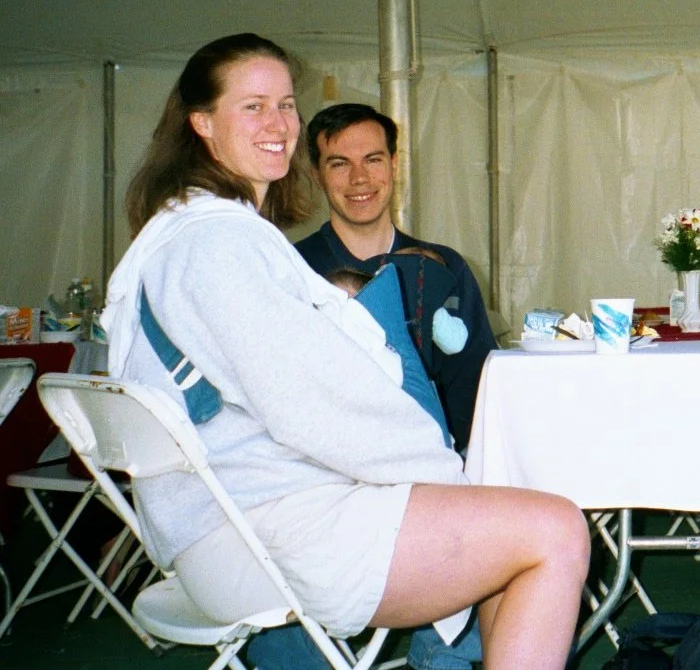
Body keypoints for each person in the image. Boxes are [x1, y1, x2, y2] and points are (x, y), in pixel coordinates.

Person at [101, 34, 588, 670]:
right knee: (555, 530)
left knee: (504, 530)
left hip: (225, 521)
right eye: (253, 107)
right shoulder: (217, 245)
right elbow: (313, 407)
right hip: (257, 535)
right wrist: (441, 469)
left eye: (285, 104)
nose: (278, 124)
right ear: (202, 122)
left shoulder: (185, 233)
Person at [295, 103, 495, 453]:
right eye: (340, 163)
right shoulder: (293, 268)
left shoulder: (443, 268)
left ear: (394, 163)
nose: (359, 178)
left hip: (437, 464)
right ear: (316, 173)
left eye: (373, 159)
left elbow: (477, 382)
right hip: (330, 469)